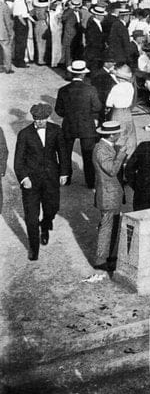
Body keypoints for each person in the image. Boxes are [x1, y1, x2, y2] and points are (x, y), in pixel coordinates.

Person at [15, 103, 70, 261]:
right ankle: (33, 249)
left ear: (48, 117)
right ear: (33, 118)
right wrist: (24, 178)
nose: (40, 122)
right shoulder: (24, 134)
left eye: (43, 119)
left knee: (52, 208)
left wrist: (64, 172)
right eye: (37, 119)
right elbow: (18, 161)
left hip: (51, 179)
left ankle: (45, 226)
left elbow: (63, 153)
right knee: (31, 217)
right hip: (31, 182)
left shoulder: (56, 130)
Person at [54, 59, 103, 189]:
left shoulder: (63, 90)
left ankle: (66, 178)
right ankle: (90, 182)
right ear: (83, 74)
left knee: (65, 153)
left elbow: (58, 110)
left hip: (69, 124)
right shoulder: (90, 89)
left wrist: (69, 115)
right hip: (87, 125)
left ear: (72, 74)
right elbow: (97, 107)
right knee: (88, 155)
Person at [92, 120, 128, 270]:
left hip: (111, 194)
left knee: (112, 225)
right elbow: (112, 170)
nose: (120, 135)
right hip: (108, 196)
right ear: (112, 135)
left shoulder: (106, 147)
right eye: (118, 133)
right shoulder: (101, 149)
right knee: (106, 227)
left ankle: (110, 256)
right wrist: (121, 155)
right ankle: (100, 260)